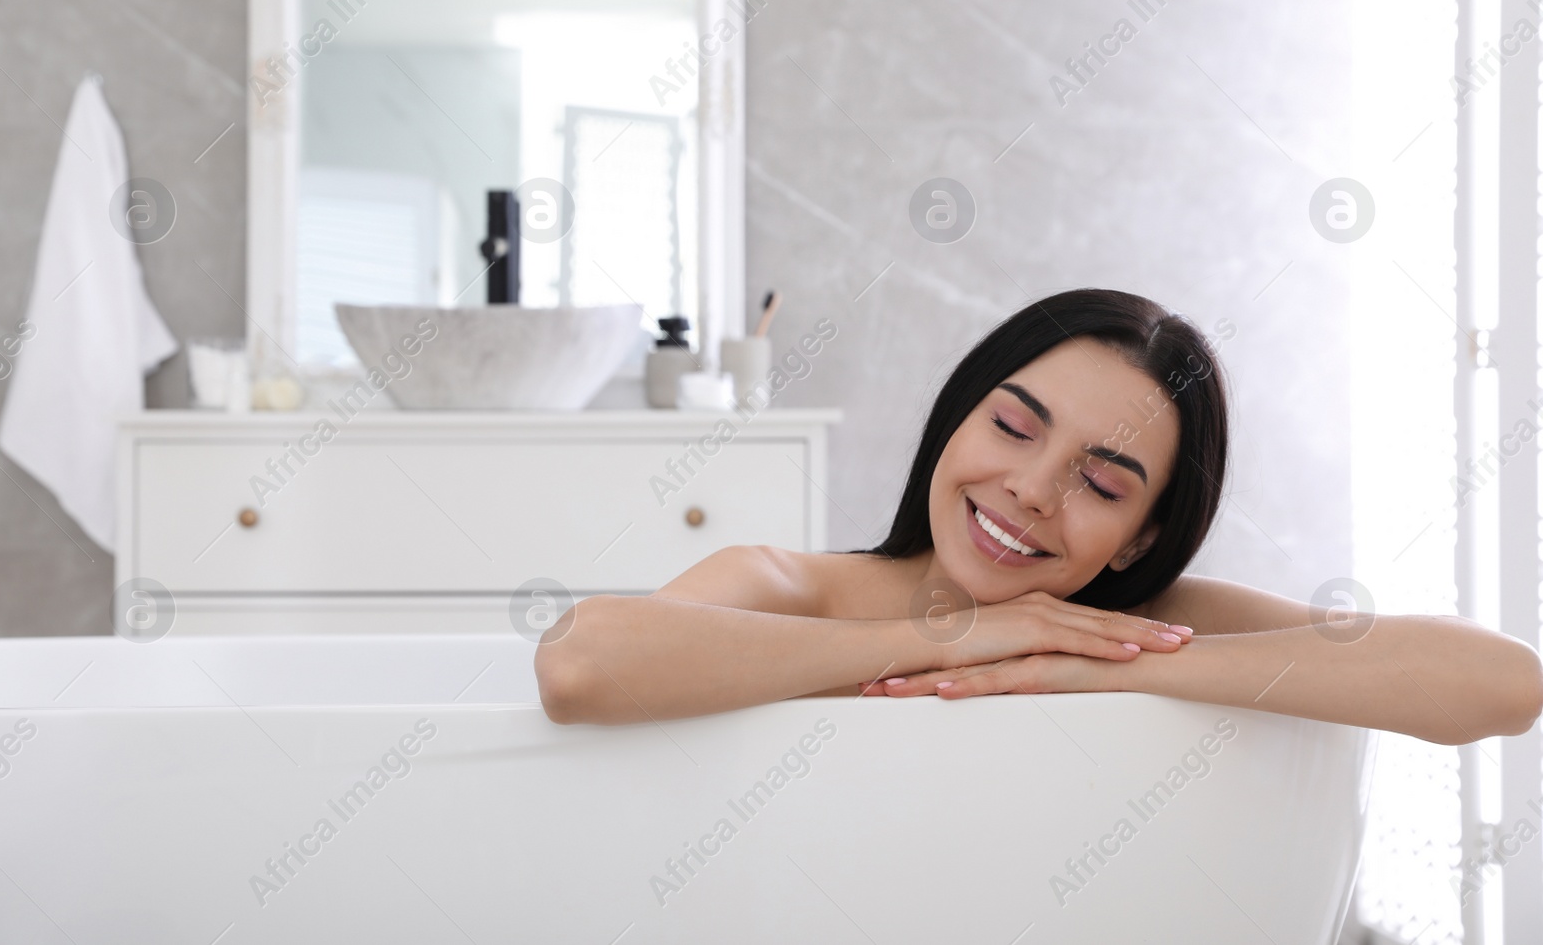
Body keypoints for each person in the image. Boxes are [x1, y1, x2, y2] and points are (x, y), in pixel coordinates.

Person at [534, 288, 1543, 742]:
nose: (1030, 488)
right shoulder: (790, 587)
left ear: (1143, 534)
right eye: (1013, 426)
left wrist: (1106, 662)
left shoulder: (1137, 621)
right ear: (956, 418)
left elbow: (1502, 682)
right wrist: (961, 637)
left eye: (1102, 485)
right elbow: (580, 664)